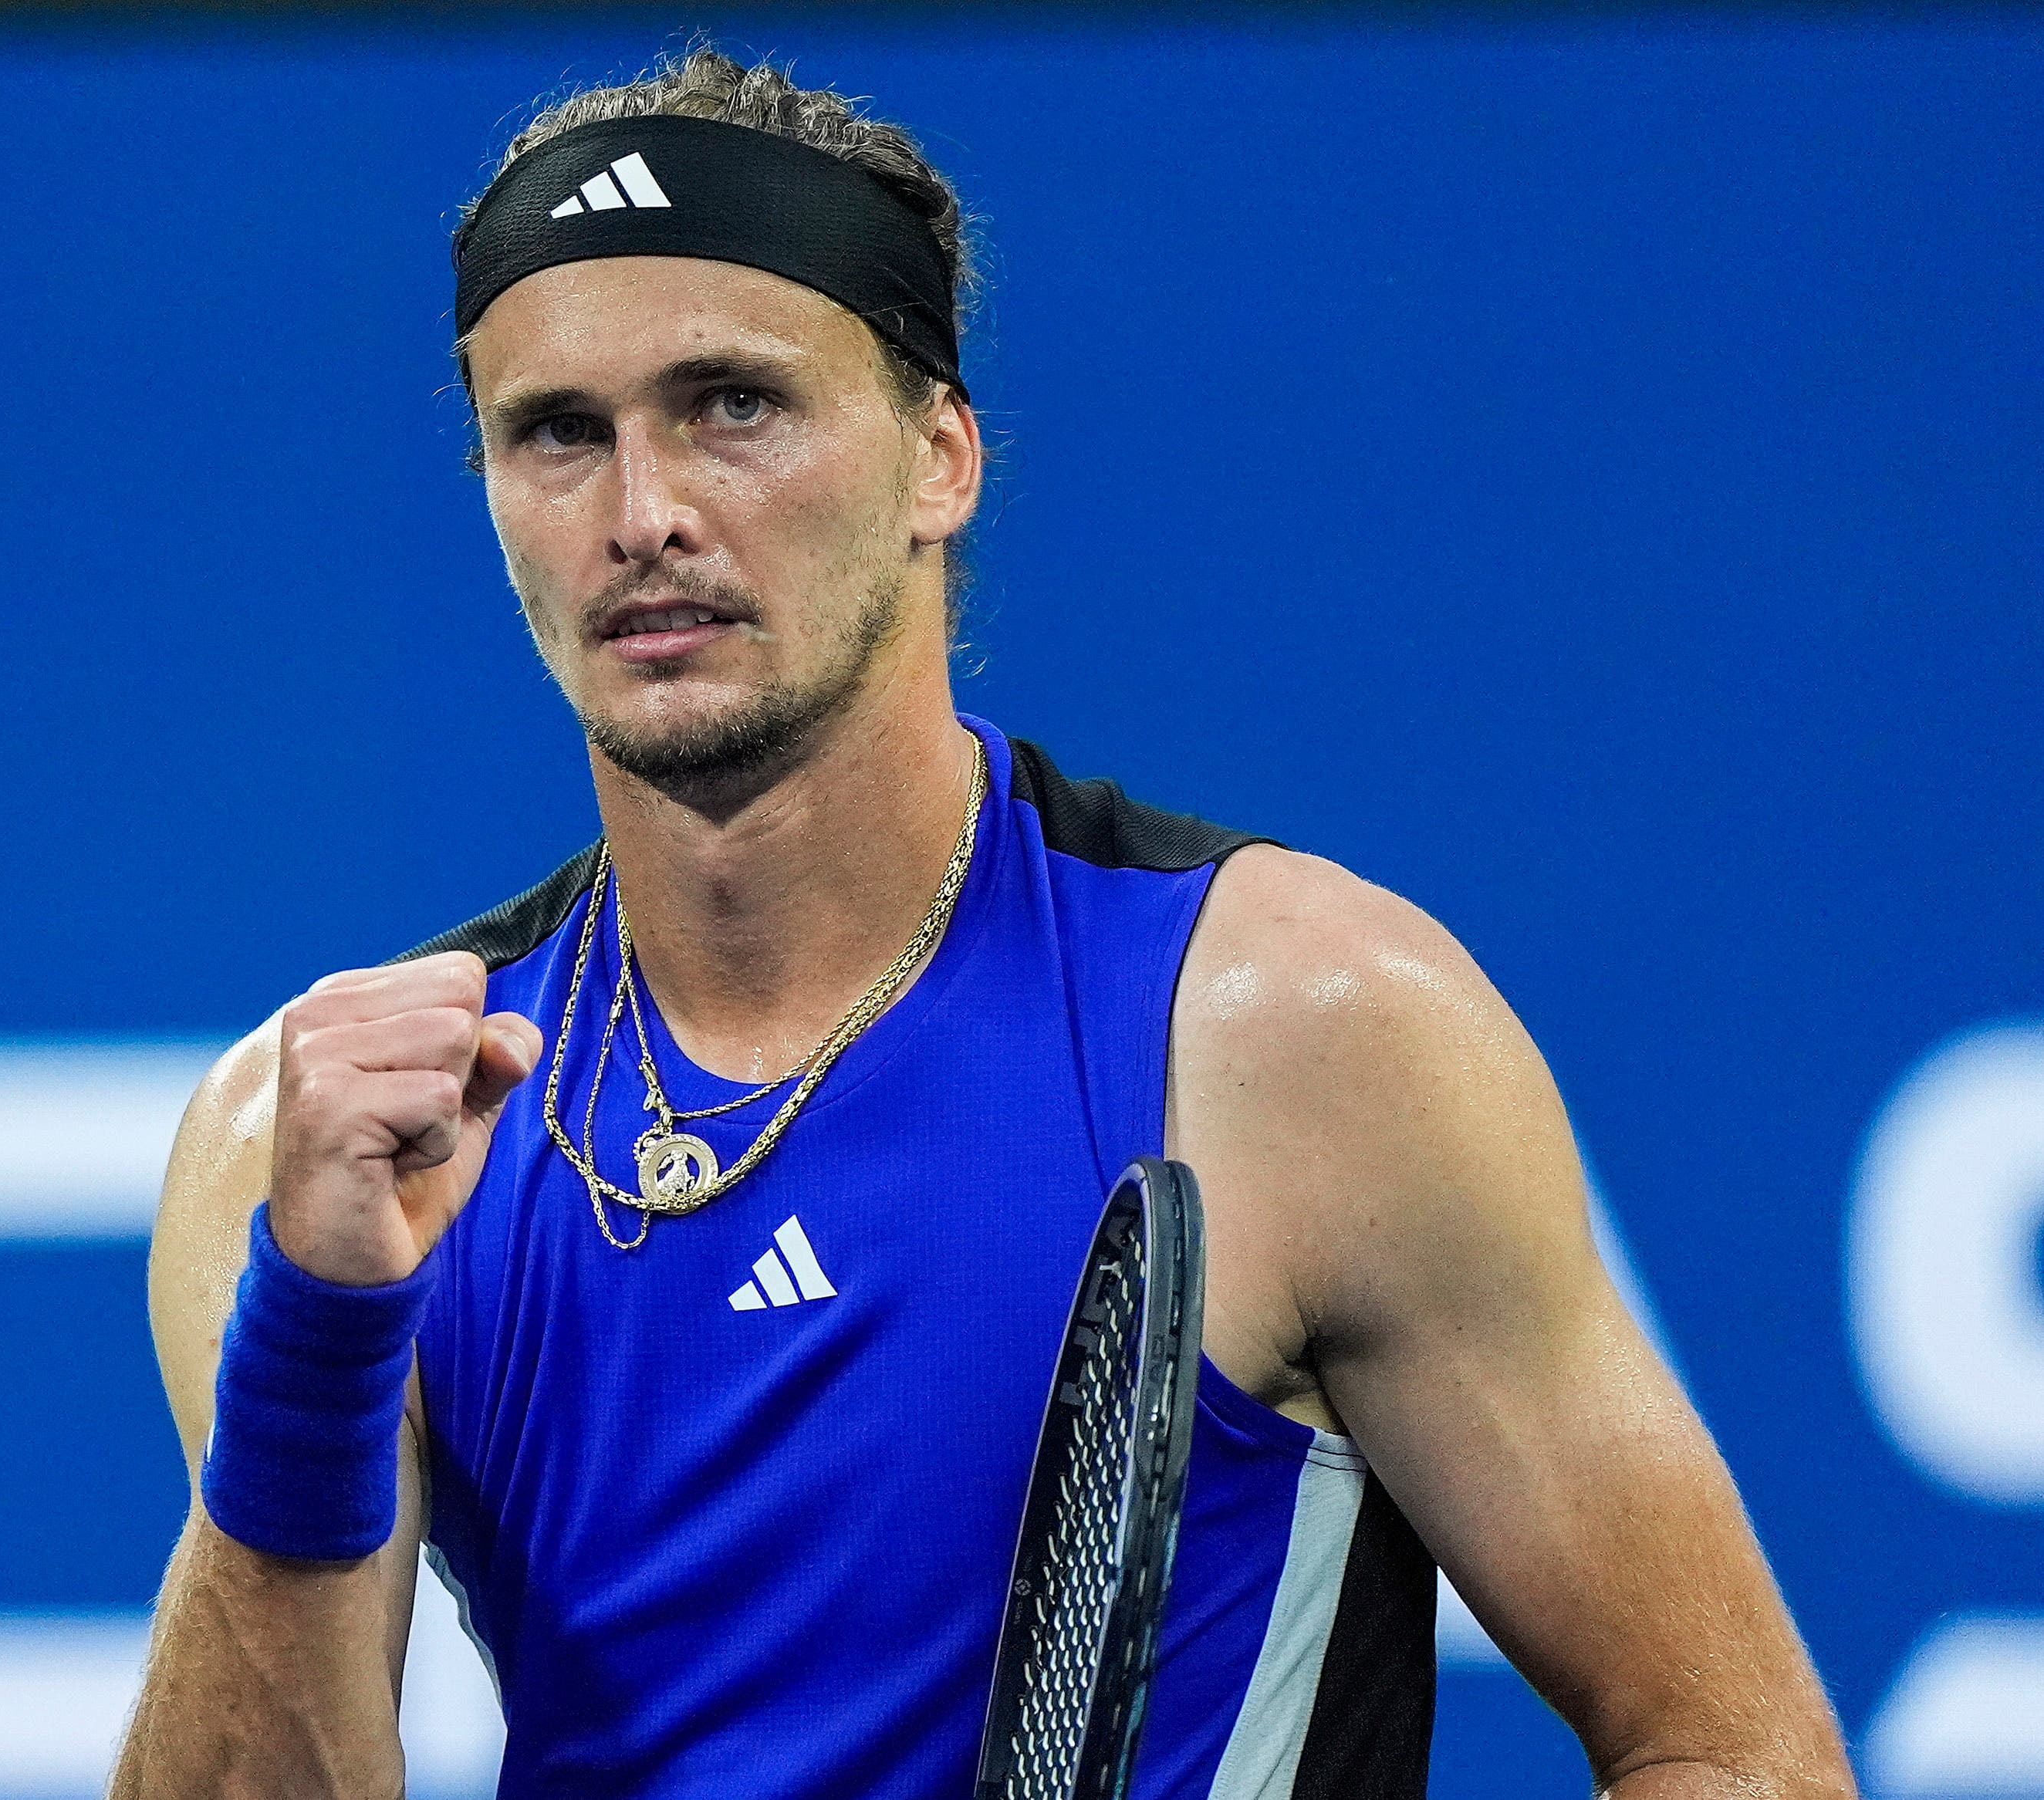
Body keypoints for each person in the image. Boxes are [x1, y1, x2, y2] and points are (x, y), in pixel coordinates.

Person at [111, 46, 1854, 1800]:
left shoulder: (1295, 1026)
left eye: (733, 404)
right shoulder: (323, 1147)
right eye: (556, 433)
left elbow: (1731, 1750)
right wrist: (319, 1344)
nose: (641, 515)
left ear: (939, 455)